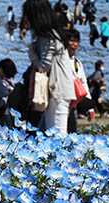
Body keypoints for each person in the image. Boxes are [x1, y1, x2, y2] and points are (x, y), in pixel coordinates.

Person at [25, 0, 75, 137]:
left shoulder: (48, 36)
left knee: (57, 136)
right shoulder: (52, 33)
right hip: (58, 89)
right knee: (49, 134)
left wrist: (32, 54)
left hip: (58, 90)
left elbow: (43, 67)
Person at [65, 29, 95, 133]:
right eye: (71, 41)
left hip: (73, 106)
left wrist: (89, 107)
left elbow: (83, 84)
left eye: (76, 41)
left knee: (71, 132)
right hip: (60, 104)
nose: (74, 44)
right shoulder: (58, 61)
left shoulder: (77, 63)